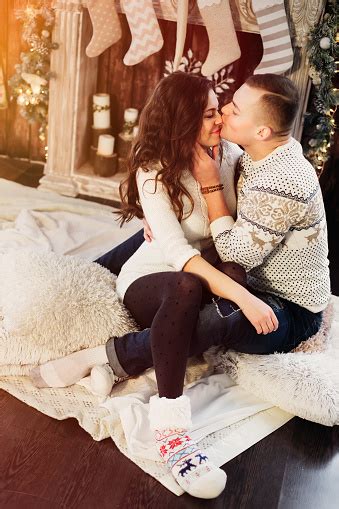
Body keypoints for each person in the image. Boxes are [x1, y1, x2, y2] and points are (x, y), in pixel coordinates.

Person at [31, 73, 330, 499]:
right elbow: (177, 248)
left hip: (224, 279)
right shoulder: (154, 170)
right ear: (184, 122)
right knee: (194, 284)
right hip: (159, 281)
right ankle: (172, 431)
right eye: (211, 112)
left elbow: (229, 248)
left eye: (226, 108)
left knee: (216, 281)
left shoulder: (233, 157)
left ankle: (104, 357)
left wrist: (205, 198)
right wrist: (240, 295)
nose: (222, 117)